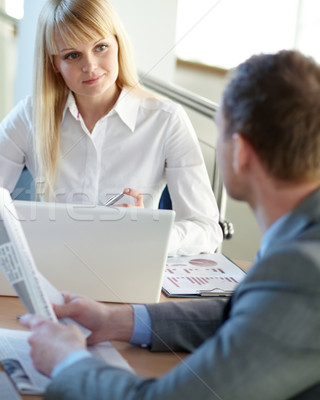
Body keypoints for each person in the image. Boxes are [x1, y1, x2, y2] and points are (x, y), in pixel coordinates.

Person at [20, 50, 320, 399]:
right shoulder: (300, 251)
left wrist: (65, 361)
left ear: (240, 152)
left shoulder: (300, 271)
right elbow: (250, 315)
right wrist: (118, 321)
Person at [0, 0, 222, 256]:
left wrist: (151, 234)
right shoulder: (31, 115)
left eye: (101, 47)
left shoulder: (166, 120)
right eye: (72, 55)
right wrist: (21, 232)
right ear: (55, 64)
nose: (90, 66)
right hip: (53, 263)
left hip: (128, 267)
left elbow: (206, 229)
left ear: (118, 44)